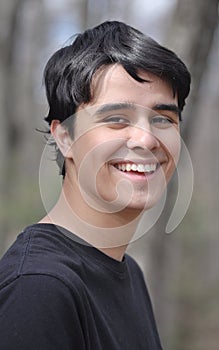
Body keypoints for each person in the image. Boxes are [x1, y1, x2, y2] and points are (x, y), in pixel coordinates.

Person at [0, 21, 191, 349]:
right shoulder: (40, 288)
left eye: (163, 119)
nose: (146, 139)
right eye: (117, 119)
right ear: (65, 137)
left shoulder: (127, 270)